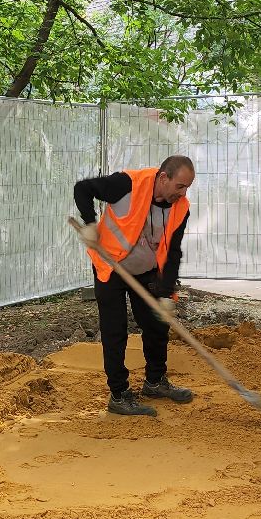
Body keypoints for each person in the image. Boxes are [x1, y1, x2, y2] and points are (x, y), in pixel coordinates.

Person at [73, 156, 196, 416]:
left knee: (156, 324)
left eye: (187, 187)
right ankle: (118, 395)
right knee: (115, 331)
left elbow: (172, 251)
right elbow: (82, 189)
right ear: (164, 178)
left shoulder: (181, 207)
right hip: (112, 267)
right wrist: (90, 224)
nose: (183, 193)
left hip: (145, 271)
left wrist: (166, 292)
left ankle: (155, 381)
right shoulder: (128, 184)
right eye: (180, 186)